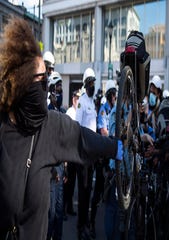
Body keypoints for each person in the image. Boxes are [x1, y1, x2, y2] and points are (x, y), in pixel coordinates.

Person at [0, 17, 123, 240]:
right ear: (22, 82)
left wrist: (118, 148)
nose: (46, 87)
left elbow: (85, 138)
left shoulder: (51, 125)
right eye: (42, 80)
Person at [90, 80, 117, 239]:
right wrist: (113, 137)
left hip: (111, 157)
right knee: (98, 192)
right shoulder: (104, 111)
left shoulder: (116, 109)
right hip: (103, 158)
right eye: (113, 94)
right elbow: (103, 131)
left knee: (110, 195)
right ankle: (92, 223)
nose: (114, 97)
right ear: (109, 95)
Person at [75, 67, 97, 240]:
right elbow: (78, 128)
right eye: (90, 83)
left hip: (92, 155)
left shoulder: (92, 102)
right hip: (83, 154)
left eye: (93, 82)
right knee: (83, 193)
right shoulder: (82, 102)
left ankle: (85, 224)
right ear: (85, 84)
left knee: (88, 191)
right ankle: (81, 227)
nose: (92, 85)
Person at [46, 71, 65, 240]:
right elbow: (46, 143)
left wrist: (64, 165)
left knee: (59, 212)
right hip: (51, 169)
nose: (60, 91)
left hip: (61, 167)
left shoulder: (62, 111)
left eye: (61, 88)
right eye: (57, 88)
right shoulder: (47, 112)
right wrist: (53, 169)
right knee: (50, 214)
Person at [63, 90, 81, 219]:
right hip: (68, 152)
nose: (77, 100)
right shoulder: (69, 112)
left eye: (79, 98)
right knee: (67, 182)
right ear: (73, 99)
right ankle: (63, 209)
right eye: (76, 98)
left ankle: (69, 207)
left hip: (76, 152)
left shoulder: (78, 111)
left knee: (72, 182)